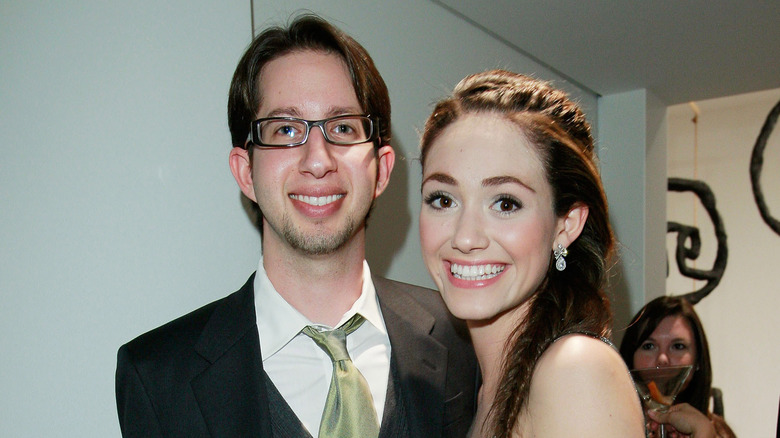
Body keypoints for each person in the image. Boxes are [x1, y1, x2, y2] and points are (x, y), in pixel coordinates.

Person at [115, 14, 477, 438]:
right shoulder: (157, 376)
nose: (318, 160)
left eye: (342, 127)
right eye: (285, 130)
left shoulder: (465, 338)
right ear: (245, 171)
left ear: (381, 170)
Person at [418, 69, 644, 438]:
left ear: (566, 224)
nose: (465, 236)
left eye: (505, 203)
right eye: (443, 200)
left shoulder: (574, 370)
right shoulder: (477, 393)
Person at [620, 296, 737, 438]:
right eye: (649, 346)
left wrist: (704, 432)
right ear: (630, 357)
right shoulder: (610, 428)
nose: (663, 359)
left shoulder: (720, 433)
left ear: (698, 360)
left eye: (677, 346)